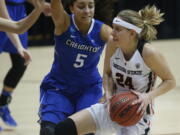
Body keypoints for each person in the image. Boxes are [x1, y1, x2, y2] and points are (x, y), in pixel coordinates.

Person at [54, 5, 176, 135]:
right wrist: (107, 93)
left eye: (118, 29)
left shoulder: (148, 53)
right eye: (113, 28)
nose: (112, 33)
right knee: (64, 128)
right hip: (113, 104)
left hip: (137, 113)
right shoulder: (113, 43)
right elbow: (107, 73)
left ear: (132, 33)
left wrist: (148, 96)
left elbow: (170, 81)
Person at [38, 0, 116, 135]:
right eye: (81, 6)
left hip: (88, 88)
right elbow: (55, 4)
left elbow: (122, 53)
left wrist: (109, 92)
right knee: (48, 131)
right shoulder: (64, 23)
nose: (87, 10)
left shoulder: (103, 30)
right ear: (71, 8)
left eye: (90, 6)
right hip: (59, 87)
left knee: (86, 131)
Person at [0, 0, 51, 129]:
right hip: (5, 14)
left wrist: (39, 6)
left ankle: (3, 102)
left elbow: (18, 27)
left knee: (21, 61)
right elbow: (11, 23)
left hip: (19, 13)